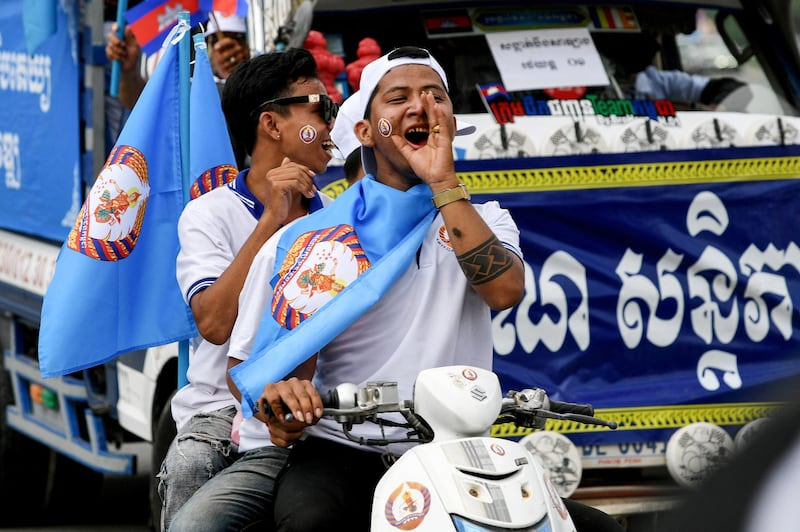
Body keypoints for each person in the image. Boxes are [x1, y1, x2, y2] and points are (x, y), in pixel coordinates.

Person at [166, 47, 337, 531]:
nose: (330, 124)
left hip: (318, 408)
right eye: (319, 108)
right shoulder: (208, 213)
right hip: (221, 411)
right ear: (271, 124)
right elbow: (215, 324)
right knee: (190, 467)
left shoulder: (339, 219)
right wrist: (272, 223)